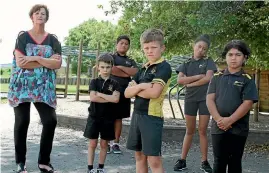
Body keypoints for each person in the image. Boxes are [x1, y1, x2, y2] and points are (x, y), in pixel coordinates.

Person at [7, 4, 62, 173]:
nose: (40, 15)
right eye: (37, 13)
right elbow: (20, 62)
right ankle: (20, 163)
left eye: (43, 13)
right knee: (22, 121)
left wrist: (34, 58)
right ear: (32, 16)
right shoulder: (23, 37)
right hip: (22, 85)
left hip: (44, 88)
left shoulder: (53, 40)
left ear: (47, 17)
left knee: (50, 121)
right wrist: (46, 61)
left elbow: (57, 63)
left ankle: (44, 161)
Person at [206, 40, 258, 173]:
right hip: (218, 127)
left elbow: (247, 103)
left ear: (245, 57)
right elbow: (210, 99)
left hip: (238, 129)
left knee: (234, 161)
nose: (233, 58)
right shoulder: (217, 77)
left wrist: (230, 120)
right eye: (230, 54)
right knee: (219, 160)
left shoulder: (247, 79)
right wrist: (219, 119)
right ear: (225, 57)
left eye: (238, 54)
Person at [125, 28, 172, 173]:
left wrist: (137, 89)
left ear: (162, 48)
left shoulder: (164, 67)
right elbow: (127, 93)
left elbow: (154, 93)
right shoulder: (143, 68)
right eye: (146, 48)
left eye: (153, 47)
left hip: (152, 117)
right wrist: (143, 86)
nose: (149, 51)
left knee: (154, 160)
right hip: (137, 115)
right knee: (139, 156)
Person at [174, 34, 217, 172]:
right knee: (190, 130)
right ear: (194, 46)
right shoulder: (186, 63)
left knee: (203, 130)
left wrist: (190, 83)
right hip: (190, 99)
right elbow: (179, 81)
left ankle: (204, 162)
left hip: (205, 100)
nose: (201, 50)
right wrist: (199, 76)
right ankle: (182, 160)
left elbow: (209, 78)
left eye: (204, 49)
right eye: (199, 46)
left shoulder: (209, 61)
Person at [83, 54, 120, 173]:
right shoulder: (94, 82)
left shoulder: (115, 83)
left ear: (112, 67)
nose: (105, 70)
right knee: (93, 143)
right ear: (98, 67)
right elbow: (93, 98)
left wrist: (100, 94)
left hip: (108, 118)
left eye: (108, 67)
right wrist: (108, 97)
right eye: (102, 67)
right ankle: (90, 168)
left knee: (104, 144)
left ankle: (100, 168)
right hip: (94, 117)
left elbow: (116, 100)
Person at [108, 35, 138, 154]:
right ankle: (108, 142)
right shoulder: (110, 57)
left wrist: (120, 68)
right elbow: (111, 70)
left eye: (126, 43)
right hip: (110, 90)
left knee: (119, 118)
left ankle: (115, 143)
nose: (124, 45)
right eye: (121, 43)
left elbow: (135, 72)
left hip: (125, 91)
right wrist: (126, 71)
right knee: (109, 116)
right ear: (117, 44)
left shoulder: (130, 60)